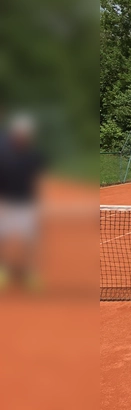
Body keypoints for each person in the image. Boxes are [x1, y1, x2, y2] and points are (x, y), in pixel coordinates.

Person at [0, 113, 45, 291]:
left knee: (29, 240)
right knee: (3, 239)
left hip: (27, 204)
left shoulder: (34, 157)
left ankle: (29, 272)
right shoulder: (4, 156)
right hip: (8, 204)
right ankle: (3, 269)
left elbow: (35, 180)